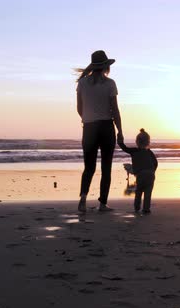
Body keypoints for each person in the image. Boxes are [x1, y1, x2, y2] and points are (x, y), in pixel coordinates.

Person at [75, 50, 124, 214]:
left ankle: (83, 198)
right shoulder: (110, 83)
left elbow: (79, 109)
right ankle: (102, 204)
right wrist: (120, 131)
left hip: (89, 128)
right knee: (106, 168)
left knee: (88, 167)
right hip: (106, 127)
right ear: (105, 67)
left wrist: (87, 120)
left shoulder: (82, 83)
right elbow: (115, 110)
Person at [118, 129, 158, 214]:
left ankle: (137, 208)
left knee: (139, 191)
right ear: (148, 142)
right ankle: (146, 209)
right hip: (151, 174)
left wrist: (120, 141)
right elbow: (155, 163)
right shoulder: (149, 152)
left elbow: (124, 148)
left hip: (140, 174)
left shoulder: (134, 151)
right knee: (148, 192)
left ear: (137, 141)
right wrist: (152, 171)